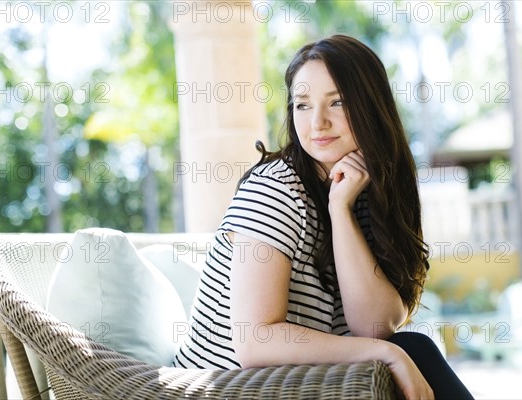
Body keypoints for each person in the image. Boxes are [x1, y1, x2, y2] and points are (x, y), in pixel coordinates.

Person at [173, 34, 474, 400]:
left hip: (300, 385)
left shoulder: (360, 192)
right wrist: (386, 353)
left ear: (371, 107)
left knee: (413, 347)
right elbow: (255, 340)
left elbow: (375, 326)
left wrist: (340, 210)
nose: (317, 122)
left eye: (338, 102)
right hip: (222, 388)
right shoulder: (275, 187)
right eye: (302, 105)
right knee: (410, 350)